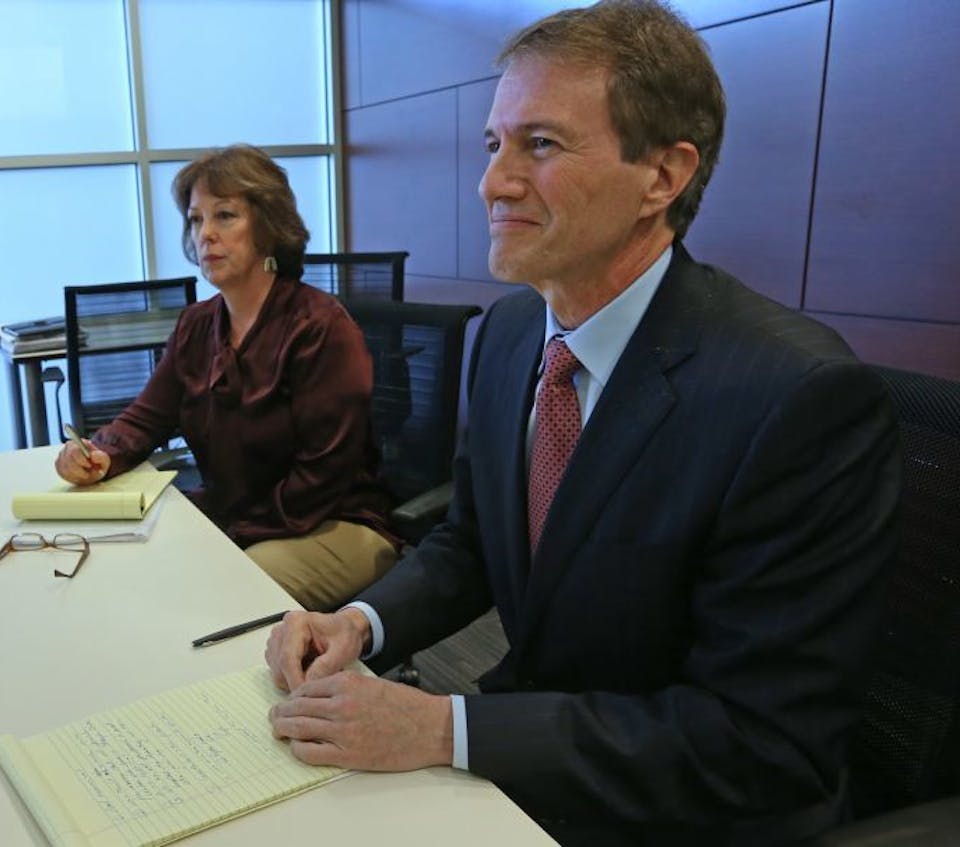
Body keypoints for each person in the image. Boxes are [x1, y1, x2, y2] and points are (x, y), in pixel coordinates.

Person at [263, 1, 900, 843]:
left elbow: (761, 742)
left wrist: (440, 728)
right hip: (530, 764)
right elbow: (472, 540)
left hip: (680, 813)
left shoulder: (799, 398)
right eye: (495, 145)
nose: (493, 181)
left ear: (663, 177)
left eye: (542, 144)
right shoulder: (512, 334)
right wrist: (363, 621)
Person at [54, 144, 398, 611]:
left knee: (212, 596)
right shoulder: (196, 325)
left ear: (269, 225)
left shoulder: (319, 327)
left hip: (331, 523)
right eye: (196, 220)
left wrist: (226, 532)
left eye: (225, 216)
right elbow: (145, 419)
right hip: (241, 517)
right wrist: (96, 454)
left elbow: (323, 475)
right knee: (119, 562)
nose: (206, 235)